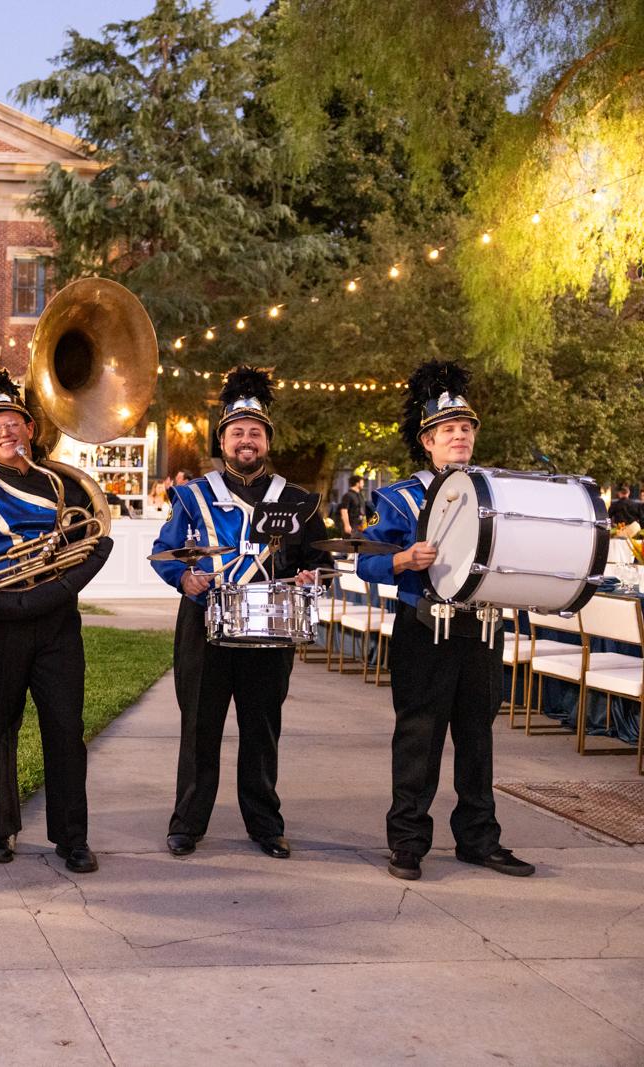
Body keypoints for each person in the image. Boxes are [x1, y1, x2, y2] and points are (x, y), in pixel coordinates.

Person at [357, 360, 534, 882]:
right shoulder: (400, 496)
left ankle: (479, 840)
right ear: (427, 442)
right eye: (447, 429)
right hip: (424, 630)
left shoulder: (495, 494)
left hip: (480, 631)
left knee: (478, 739)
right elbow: (366, 558)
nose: (459, 436)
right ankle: (408, 841)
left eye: (466, 428)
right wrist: (402, 560)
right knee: (419, 738)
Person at [0, 368, 112, 874]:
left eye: (12, 422)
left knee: (65, 729)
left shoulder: (64, 487)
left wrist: (56, 587)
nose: (5, 432)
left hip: (57, 627)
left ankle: (72, 838)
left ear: (30, 428)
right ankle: (0, 830)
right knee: (0, 729)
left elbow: (87, 545)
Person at [150, 368, 332, 860]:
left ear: (267, 441)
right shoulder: (190, 495)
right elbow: (165, 552)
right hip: (203, 628)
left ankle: (265, 824)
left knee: (262, 729)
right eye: (237, 432)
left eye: (255, 432)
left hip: (271, 630)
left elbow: (321, 559)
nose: (246, 440)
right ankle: (187, 823)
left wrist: (311, 577)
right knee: (199, 728)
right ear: (223, 440)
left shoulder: (297, 501)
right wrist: (184, 579)